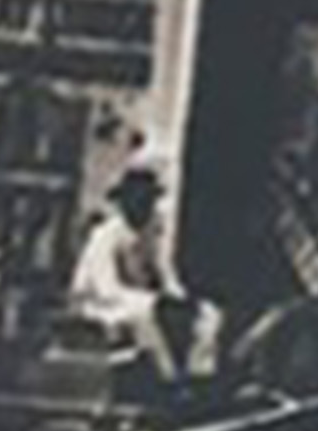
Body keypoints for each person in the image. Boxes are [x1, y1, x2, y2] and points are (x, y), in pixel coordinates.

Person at [67, 165, 211, 398]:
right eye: (138, 199)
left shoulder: (149, 234)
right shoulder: (106, 235)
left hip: (131, 299)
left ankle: (200, 375)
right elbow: (106, 288)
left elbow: (163, 272)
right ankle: (169, 378)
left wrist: (179, 297)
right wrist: (151, 300)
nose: (143, 206)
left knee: (205, 311)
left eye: (148, 200)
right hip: (95, 303)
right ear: (124, 203)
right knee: (144, 314)